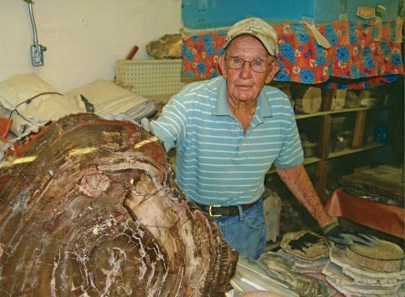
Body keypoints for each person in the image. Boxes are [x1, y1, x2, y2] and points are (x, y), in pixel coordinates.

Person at [146, 17, 376, 259]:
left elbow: (291, 169)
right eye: (237, 61)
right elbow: (154, 144)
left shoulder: (280, 107)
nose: (245, 73)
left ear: (271, 71)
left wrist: (326, 222)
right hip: (193, 221)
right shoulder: (190, 100)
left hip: (248, 225)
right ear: (222, 65)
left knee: (245, 295)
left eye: (257, 63)